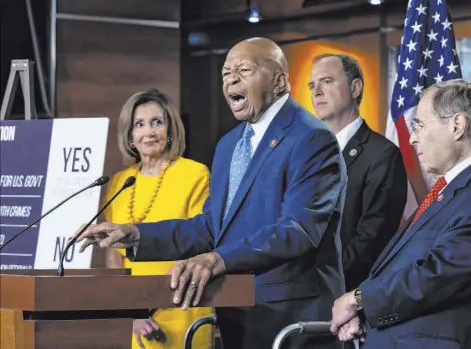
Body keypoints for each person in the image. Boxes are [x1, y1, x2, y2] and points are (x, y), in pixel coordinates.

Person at [77, 37, 347, 349]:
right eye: (225, 73)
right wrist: (135, 234)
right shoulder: (229, 144)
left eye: (243, 70)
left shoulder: (312, 139)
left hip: (292, 322)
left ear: (278, 81)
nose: (231, 78)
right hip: (238, 316)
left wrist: (218, 259)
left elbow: (298, 230)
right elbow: (210, 227)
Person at [330, 79, 471, 349]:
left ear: (457, 126)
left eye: (420, 125)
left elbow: (438, 276)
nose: (412, 138)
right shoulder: (454, 189)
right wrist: (366, 314)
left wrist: (359, 298)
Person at [102, 89, 214, 349]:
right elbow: (113, 257)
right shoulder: (120, 181)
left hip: (185, 306)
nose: (148, 132)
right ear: (130, 136)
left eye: (157, 122)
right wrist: (131, 313)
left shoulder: (195, 174)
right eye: (139, 124)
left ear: (171, 129)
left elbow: (201, 239)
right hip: (138, 317)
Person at [309, 53, 407, 291]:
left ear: (355, 88)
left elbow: (371, 242)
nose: (316, 91)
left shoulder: (382, 155)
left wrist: (314, 285)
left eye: (327, 81)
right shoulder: (307, 155)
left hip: (346, 298)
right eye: (312, 85)